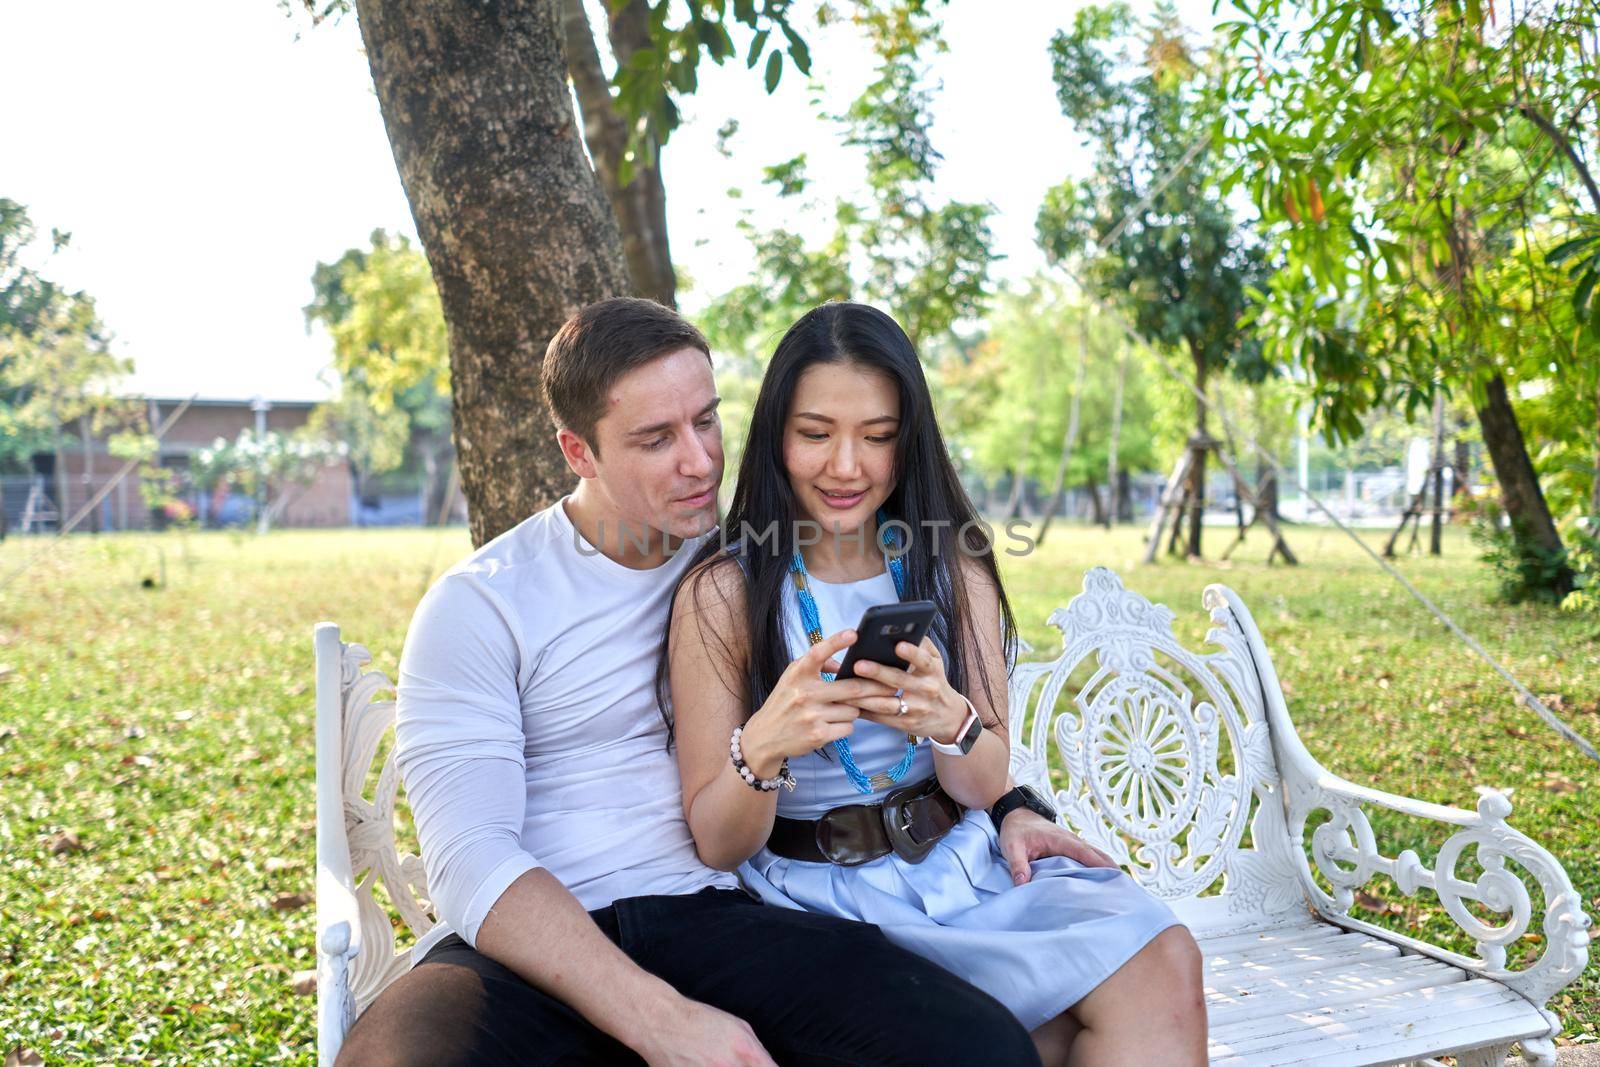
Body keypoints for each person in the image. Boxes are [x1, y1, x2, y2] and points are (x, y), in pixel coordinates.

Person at [337, 297, 1101, 1067]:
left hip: (716, 914)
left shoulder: (751, 567)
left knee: (978, 1048)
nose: (700, 461)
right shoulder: (484, 603)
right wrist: (657, 1017)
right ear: (578, 451)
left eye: (706, 420)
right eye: (655, 438)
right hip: (527, 943)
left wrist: (1009, 802)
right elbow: (471, 857)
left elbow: (928, 696)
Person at [664, 302, 1209, 1067]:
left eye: (878, 437)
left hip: (961, 867)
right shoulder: (725, 593)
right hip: (814, 901)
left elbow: (985, 781)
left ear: (909, 440)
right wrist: (764, 746)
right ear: (775, 436)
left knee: (1163, 959)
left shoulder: (950, 565)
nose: (846, 465)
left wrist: (952, 720)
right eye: (816, 433)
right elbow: (719, 842)